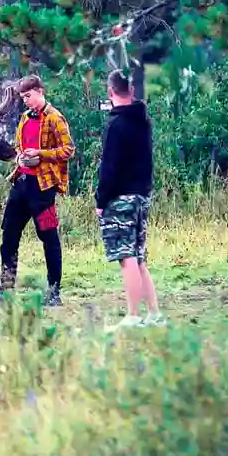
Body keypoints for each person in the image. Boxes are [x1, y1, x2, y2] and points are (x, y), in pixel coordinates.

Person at [0, 74, 75, 306]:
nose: (26, 101)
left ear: (40, 91)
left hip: (43, 189)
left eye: (28, 96)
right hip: (21, 184)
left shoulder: (54, 118)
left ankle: (54, 292)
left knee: (49, 239)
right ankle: (5, 289)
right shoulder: (24, 118)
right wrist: (21, 155)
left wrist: (41, 154)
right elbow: (20, 143)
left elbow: (68, 150)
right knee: (8, 236)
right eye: (23, 97)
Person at [95, 68, 164, 330]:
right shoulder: (142, 120)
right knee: (138, 256)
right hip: (142, 195)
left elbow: (109, 168)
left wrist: (101, 202)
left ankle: (133, 315)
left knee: (127, 258)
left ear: (110, 92)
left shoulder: (116, 125)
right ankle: (154, 313)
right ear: (132, 91)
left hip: (121, 199)